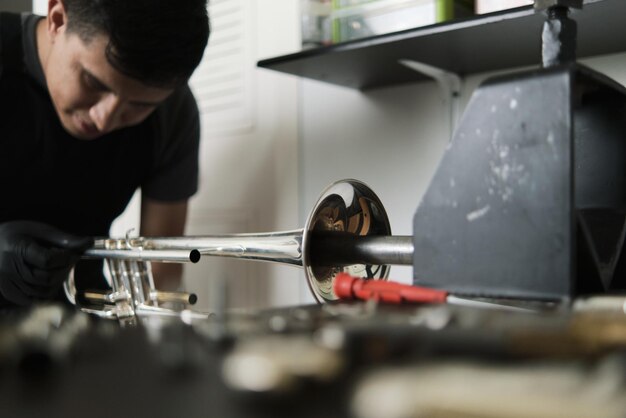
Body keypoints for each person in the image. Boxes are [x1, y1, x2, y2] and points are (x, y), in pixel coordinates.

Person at [0, 0, 210, 307]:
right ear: (57, 19)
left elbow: (162, 272)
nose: (104, 119)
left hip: (80, 324)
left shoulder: (173, 113)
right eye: (92, 82)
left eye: (139, 105)